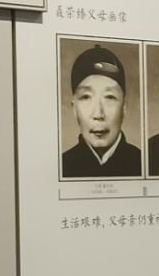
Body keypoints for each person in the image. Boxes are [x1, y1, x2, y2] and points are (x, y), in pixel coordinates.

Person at [60, 45, 140, 178]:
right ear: (74, 109)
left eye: (110, 97)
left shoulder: (145, 163)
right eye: (86, 97)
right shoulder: (61, 166)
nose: (98, 114)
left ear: (124, 107)